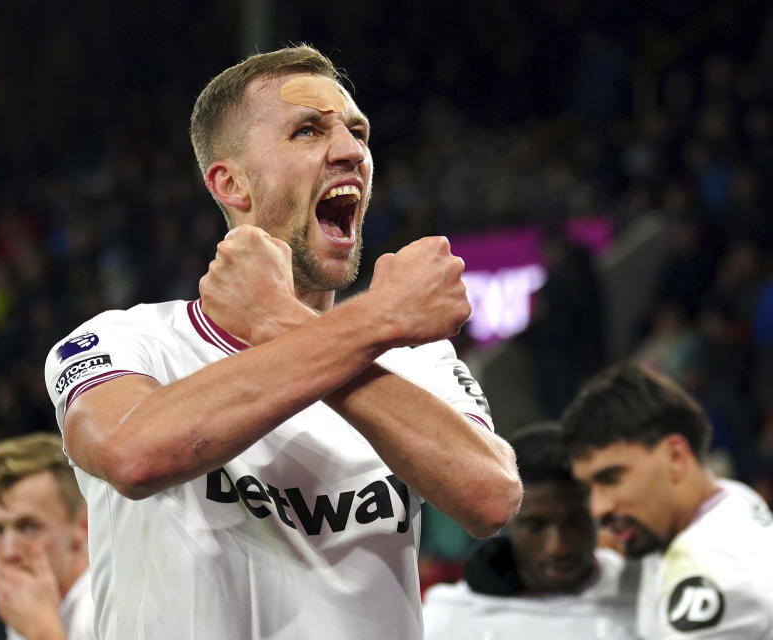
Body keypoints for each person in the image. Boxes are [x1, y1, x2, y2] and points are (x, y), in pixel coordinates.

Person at [44, 45, 522, 639]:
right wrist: (374, 320)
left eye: (357, 132)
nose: (351, 151)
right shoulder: (125, 341)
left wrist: (283, 324)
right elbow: (132, 453)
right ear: (231, 183)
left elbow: (491, 496)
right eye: (307, 131)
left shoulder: (415, 359)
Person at [561, 362, 773, 638]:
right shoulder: (728, 498)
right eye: (589, 488)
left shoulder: (712, 576)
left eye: (611, 478)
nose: (598, 508)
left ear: (674, 456)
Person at [422, 423, 639, 639]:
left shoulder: (644, 592)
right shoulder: (449, 619)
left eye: (575, 521)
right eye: (536, 526)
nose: (560, 547)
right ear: (505, 519)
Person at [0, 433, 94, 640]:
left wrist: (42, 633)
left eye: (29, 527)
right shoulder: (29, 602)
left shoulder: (111, 607)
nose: (9, 551)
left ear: (82, 527)